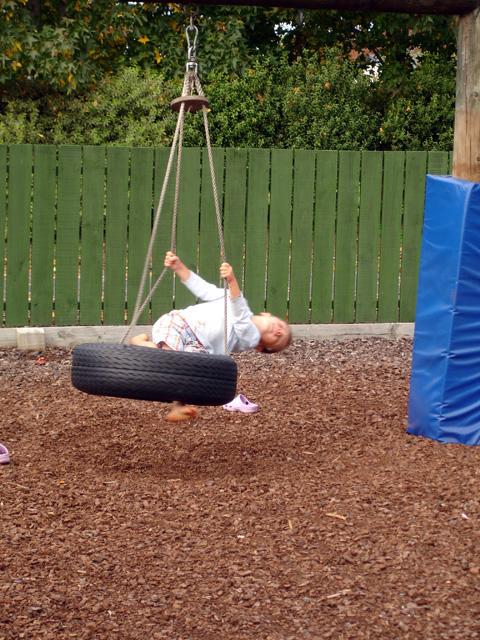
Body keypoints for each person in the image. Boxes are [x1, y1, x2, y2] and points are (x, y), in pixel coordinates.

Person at [130, 251, 291, 421]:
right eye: (281, 326)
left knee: (185, 375)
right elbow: (204, 290)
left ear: (259, 347)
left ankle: (178, 406)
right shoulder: (231, 299)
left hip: (199, 347)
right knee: (169, 358)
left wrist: (232, 281)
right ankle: (138, 343)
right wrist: (179, 268)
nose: (279, 332)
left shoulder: (250, 339)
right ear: (266, 314)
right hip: (181, 323)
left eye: (278, 339)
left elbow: (241, 318)